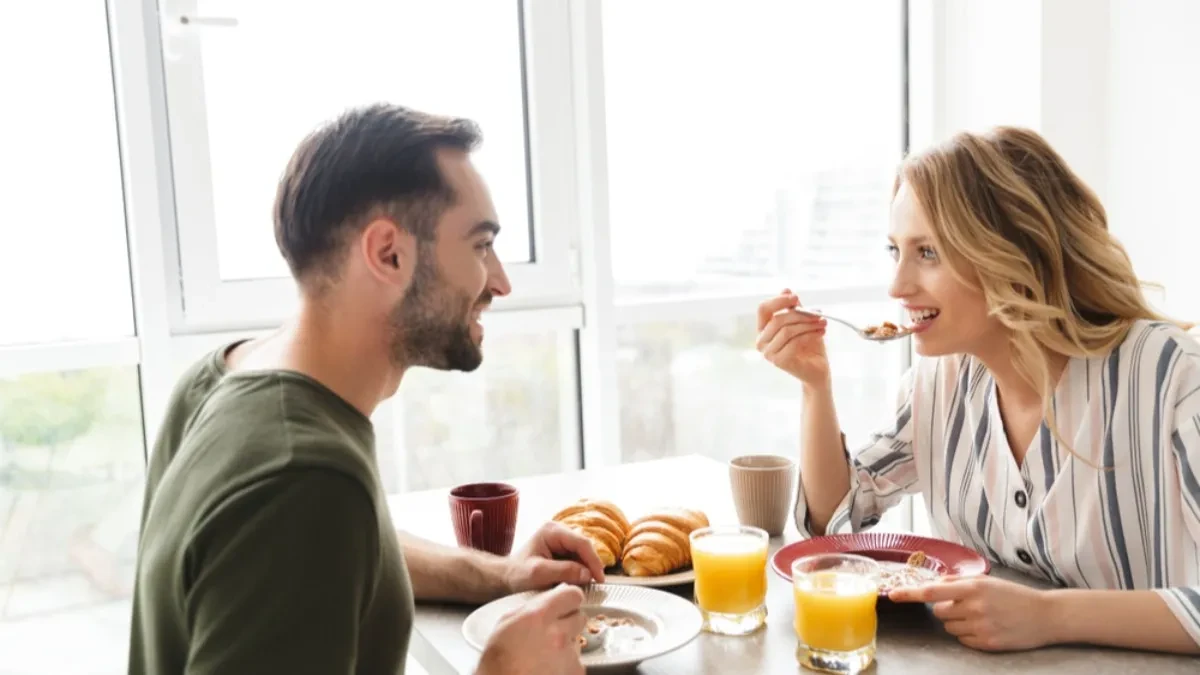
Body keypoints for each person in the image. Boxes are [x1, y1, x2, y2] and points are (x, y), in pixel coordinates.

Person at [127, 103, 604, 675]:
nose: (499, 281)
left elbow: (330, 555)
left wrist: (501, 575)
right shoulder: (303, 479)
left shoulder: (221, 378)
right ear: (388, 254)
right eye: (480, 245)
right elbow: (305, 519)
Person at [757, 126, 1200, 655]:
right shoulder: (939, 384)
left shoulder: (1173, 378)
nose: (897, 287)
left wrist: (1049, 616)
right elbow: (835, 520)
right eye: (894, 249)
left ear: (1012, 254)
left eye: (928, 253)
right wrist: (815, 386)